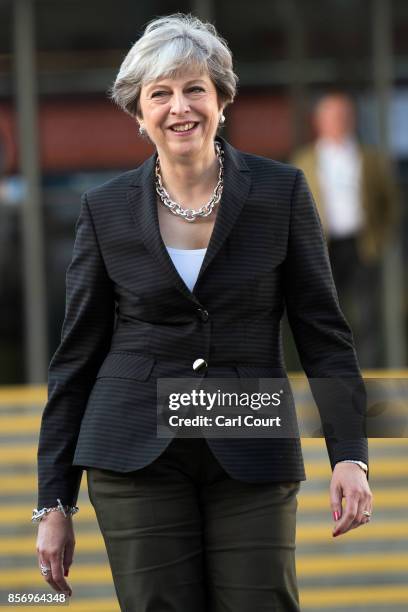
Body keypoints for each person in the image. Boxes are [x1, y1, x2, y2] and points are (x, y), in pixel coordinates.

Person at [34, 14, 373, 611]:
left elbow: (324, 334)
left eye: (195, 89)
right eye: (159, 93)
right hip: (133, 447)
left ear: (222, 100)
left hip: (250, 435)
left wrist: (348, 454)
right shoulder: (105, 209)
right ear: (139, 114)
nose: (179, 106)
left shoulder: (282, 192)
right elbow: (76, 359)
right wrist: (54, 501)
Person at [292, 93, 399, 368]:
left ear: (352, 120)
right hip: (322, 249)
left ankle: (368, 373)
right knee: (324, 315)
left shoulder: (371, 158)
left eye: (343, 116)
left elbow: (389, 202)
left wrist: (380, 236)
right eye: (332, 116)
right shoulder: (304, 161)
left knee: (366, 315)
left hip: (362, 245)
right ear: (319, 122)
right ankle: (332, 374)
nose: (338, 122)